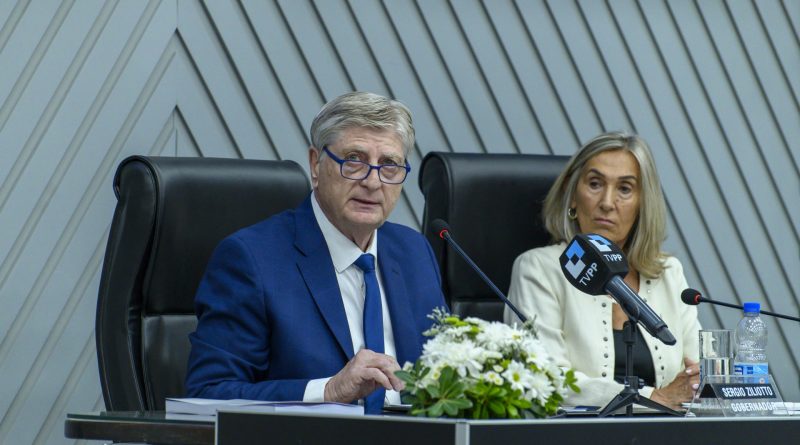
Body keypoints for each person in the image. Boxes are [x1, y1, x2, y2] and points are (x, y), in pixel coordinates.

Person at [185, 92, 446, 414]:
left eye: (389, 165)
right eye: (354, 160)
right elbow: (209, 393)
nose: (373, 181)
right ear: (315, 164)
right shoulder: (251, 260)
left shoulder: (414, 252)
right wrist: (329, 390)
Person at [503, 131, 701, 410]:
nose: (607, 202)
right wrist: (654, 398)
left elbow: (697, 371)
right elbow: (545, 378)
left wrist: (695, 385)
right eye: (595, 184)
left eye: (625, 189)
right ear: (572, 195)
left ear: (643, 203)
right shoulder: (539, 269)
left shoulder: (668, 272)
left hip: (667, 429)